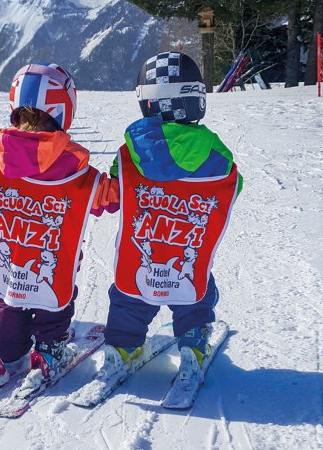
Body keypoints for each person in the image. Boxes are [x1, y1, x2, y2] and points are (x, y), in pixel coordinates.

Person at [0, 63, 118, 386]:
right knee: (54, 296)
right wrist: (124, 180)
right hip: (49, 264)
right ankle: (49, 351)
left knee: (8, 300)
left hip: (9, 260)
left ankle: (2, 355)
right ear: (63, 111)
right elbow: (105, 197)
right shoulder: (73, 170)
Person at [99, 52, 243, 383]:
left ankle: (121, 349)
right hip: (184, 247)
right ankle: (192, 350)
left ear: (147, 103)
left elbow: (119, 188)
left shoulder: (130, 152)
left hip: (144, 249)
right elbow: (232, 186)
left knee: (129, 294)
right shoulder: (214, 152)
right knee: (194, 288)